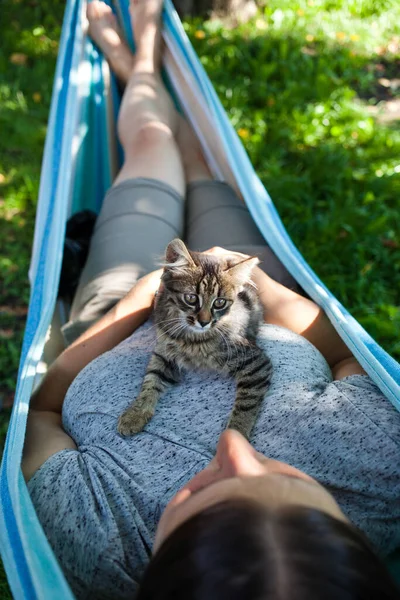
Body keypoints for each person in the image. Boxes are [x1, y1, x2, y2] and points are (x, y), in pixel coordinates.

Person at [22, 1, 400, 598]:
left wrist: (126, 314)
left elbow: (36, 413)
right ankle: (150, 70)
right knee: (203, 170)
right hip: (252, 295)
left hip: (117, 310)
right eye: (289, 480)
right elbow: (345, 353)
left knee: (150, 145)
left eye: (199, 494)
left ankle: (136, 57)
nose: (233, 445)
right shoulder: (385, 474)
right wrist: (265, 291)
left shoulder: (97, 545)